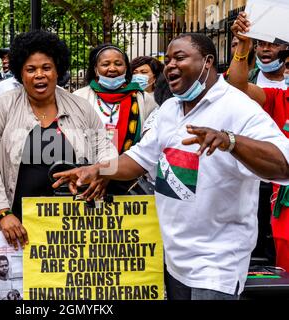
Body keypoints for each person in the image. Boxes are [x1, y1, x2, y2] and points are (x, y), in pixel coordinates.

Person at [53, 33, 289, 300]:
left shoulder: (238, 107)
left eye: (180, 57)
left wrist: (230, 141)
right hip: (173, 261)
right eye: (168, 60)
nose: (170, 66)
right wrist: (97, 170)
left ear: (207, 61)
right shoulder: (169, 110)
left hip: (216, 265)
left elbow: (283, 165)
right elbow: (139, 158)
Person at [0, 30, 117, 246]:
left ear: (57, 70)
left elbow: (105, 148)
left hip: (70, 225)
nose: (39, 74)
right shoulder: (2, 106)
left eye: (46, 68)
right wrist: (2, 213)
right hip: (14, 224)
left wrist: (103, 173)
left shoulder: (80, 107)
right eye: (31, 69)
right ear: (20, 74)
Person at [229, 12, 289, 272]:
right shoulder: (278, 98)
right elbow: (237, 86)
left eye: (273, 44)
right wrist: (243, 45)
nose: (267, 50)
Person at [73, 44, 157, 153]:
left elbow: (150, 137)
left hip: (128, 166)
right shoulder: (79, 97)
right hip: (89, 164)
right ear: (96, 69)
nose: (112, 68)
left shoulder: (143, 98)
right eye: (105, 64)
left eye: (118, 64)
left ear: (126, 69)